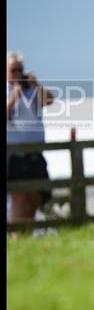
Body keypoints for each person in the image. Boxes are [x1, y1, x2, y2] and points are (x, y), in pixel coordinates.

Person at [6, 50, 55, 223]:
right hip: (16, 157)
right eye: (14, 70)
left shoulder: (32, 90)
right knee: (20, 198)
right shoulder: (9, 92)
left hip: (35, 154)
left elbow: (49, 100)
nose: (18, 73)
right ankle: (16, 237)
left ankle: (26, 237)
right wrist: (14, 96)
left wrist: (36, 84)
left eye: (20, 69)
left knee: (34, 197)